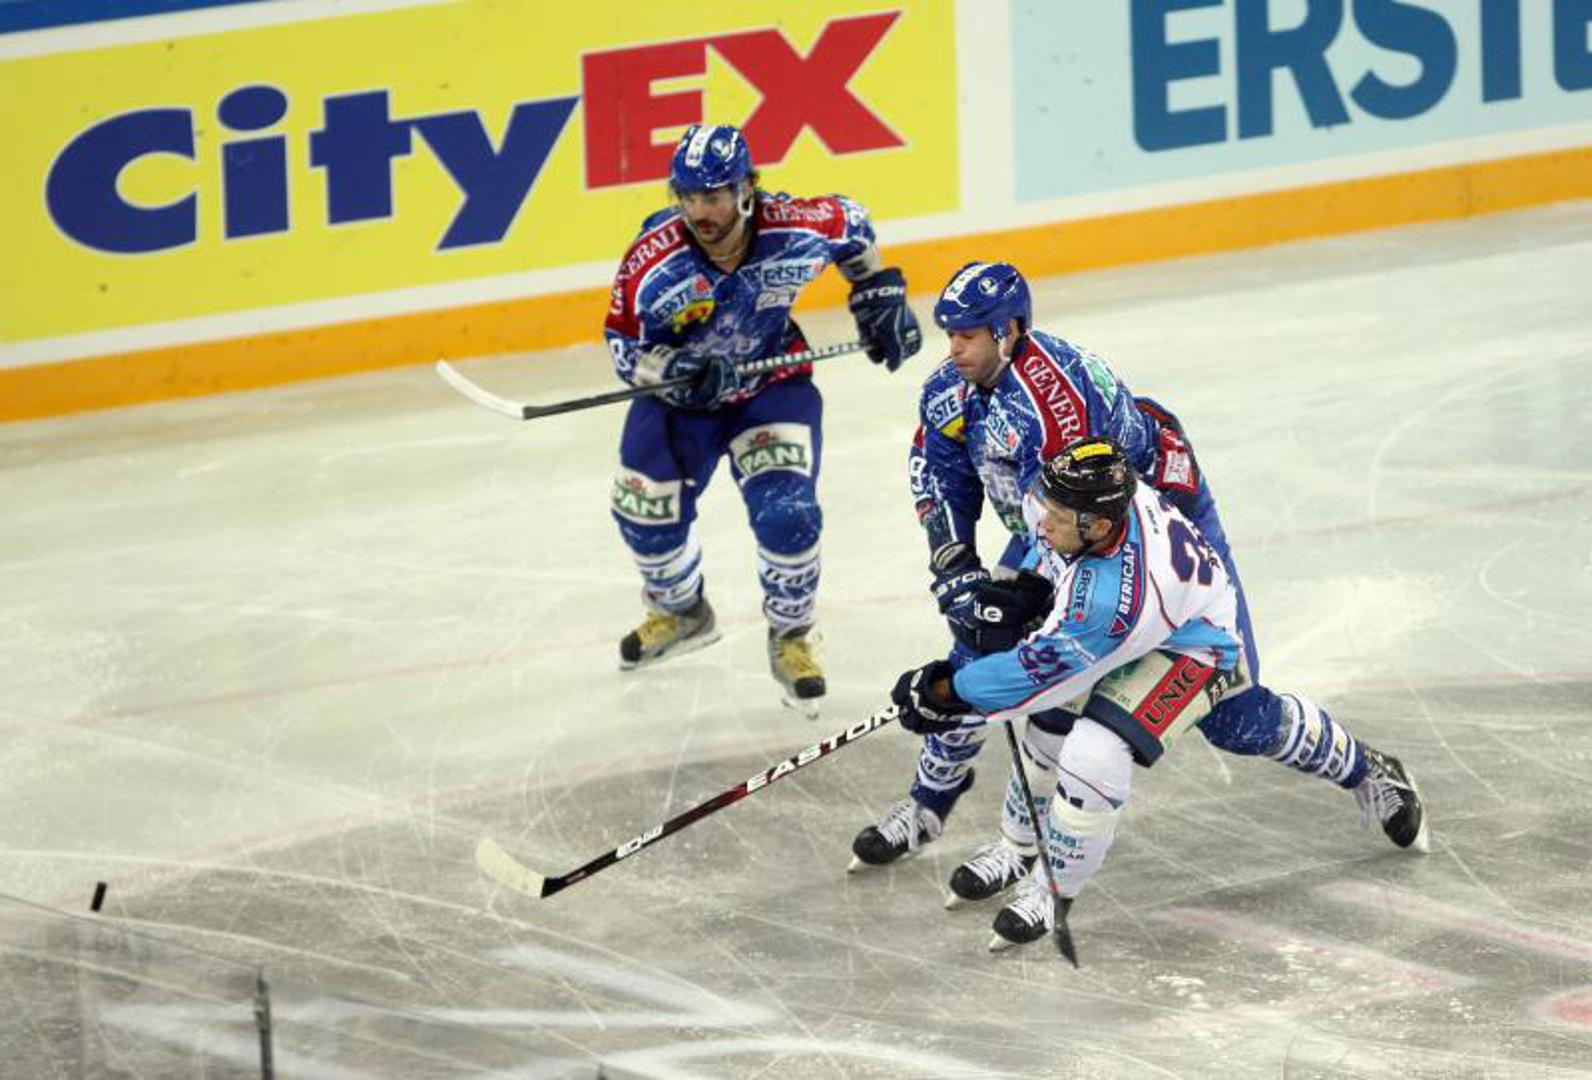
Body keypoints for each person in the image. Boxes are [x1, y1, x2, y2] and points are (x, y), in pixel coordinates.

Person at [851, 262, 1428, 902]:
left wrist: (1029, 602)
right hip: (1065, 529)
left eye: (968, 335)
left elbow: (1088, 531)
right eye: (950, 335)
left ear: (1008, 331)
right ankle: (931, 807)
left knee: (1233, 716)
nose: (954, 348)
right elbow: (943, 473)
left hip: (1154, 534)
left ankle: (1365, 769)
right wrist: (954, 563)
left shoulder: (1055, 408)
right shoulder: (953, 389)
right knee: (975, 645)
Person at [888, 437, 1429, 952]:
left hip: (1193, 642)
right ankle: (1017, 845)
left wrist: (945, 691)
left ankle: (1054, 891)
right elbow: (1045, 544)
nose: (1044, 520)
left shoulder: (1111, 600)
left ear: (1099, 526)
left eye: (1058, 516)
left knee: (1115, 749)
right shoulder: (1086, 503)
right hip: (1139, 618)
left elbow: (1037, 675)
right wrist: (1026, 586)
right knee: (1051, 726)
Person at [603, 124, 921, 713]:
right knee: (643, 516)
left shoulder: (796, 228)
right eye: (688, 197)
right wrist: (677, 368)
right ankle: (681, 611)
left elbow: (853, 225)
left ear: (747, 188)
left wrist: (878, 295)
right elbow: (624, 346)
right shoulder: (654, 261)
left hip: (771, 387)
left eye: (714, 195)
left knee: (787, 515)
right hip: (679, 403)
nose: (700, 211)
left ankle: (792, 635)